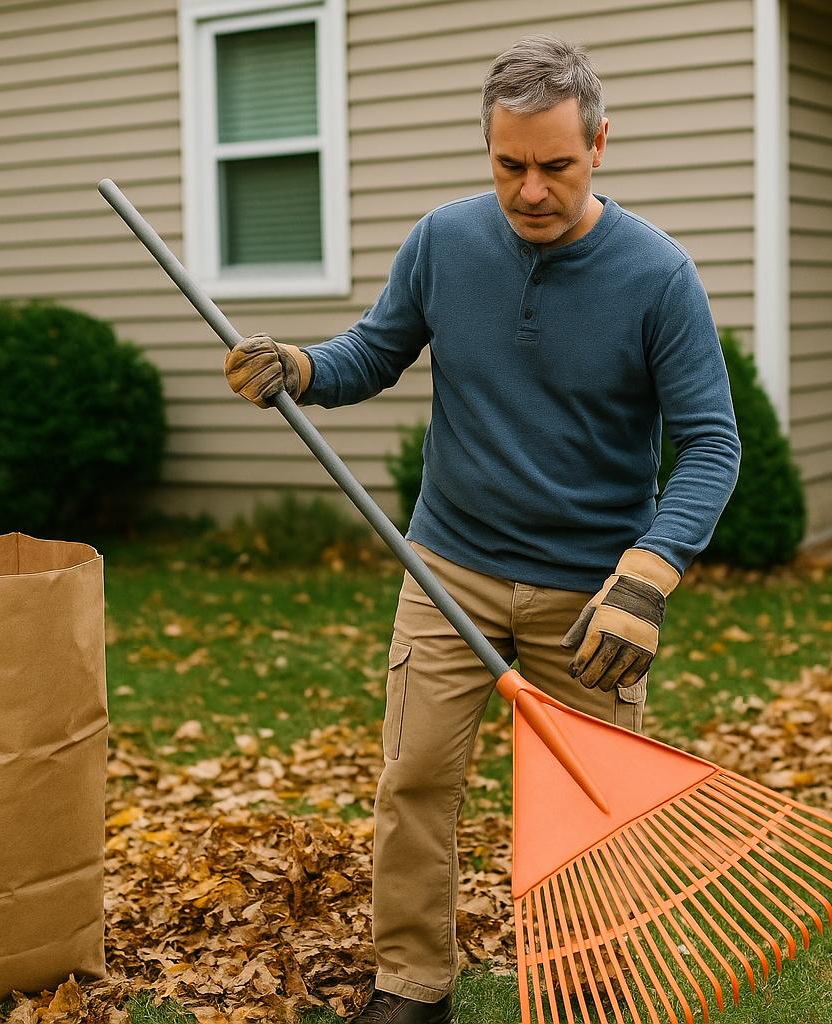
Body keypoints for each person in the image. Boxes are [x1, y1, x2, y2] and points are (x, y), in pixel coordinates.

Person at [223, 34, 741, 1024]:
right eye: (511, 165)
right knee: (416, 779)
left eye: (557, 164)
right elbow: (374, 351)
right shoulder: (445, 241)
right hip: (448, 566)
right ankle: (412, 987)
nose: (532, 189)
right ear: (488, 148)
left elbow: (712, 447)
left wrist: (649, 576)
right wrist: (299, 364)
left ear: (601, 142)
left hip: (591, 593)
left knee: (587, 807)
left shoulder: (658, 275)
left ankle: (589, 981)